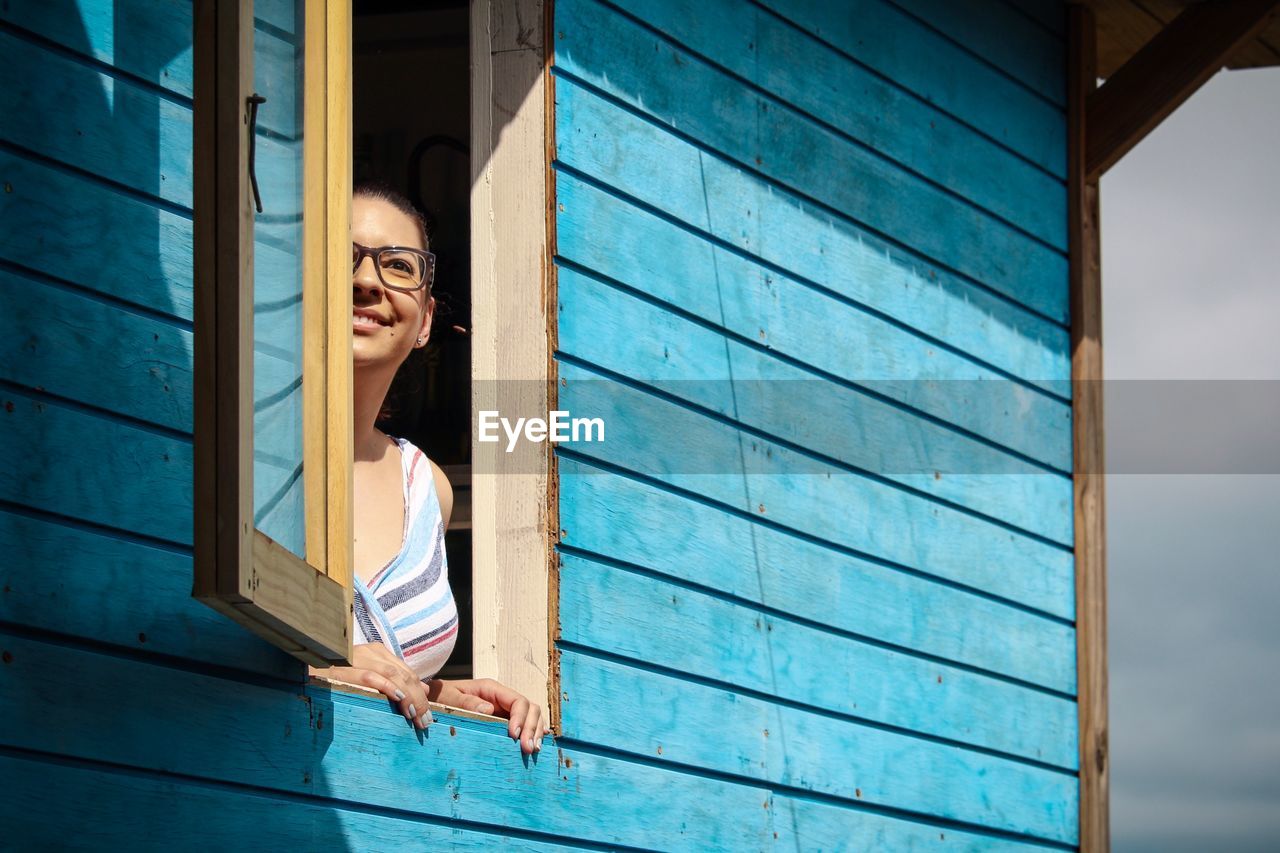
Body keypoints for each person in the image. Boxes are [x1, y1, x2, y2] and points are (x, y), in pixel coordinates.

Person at [309, 182, 547, 756]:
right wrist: (319, 669)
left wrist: (443, 691)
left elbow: (378, 666)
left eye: (397, 266)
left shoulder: (427, 488)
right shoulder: (244, 448)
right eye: (343, 258)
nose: (368, 282)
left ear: (425, 322)